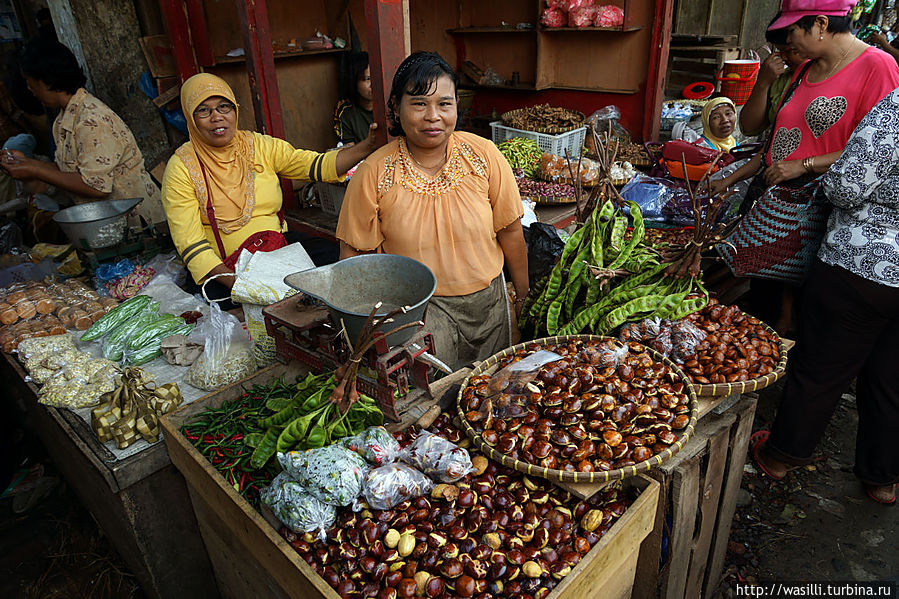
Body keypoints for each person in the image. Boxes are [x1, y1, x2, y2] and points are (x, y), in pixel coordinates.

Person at [709, 0, 899, 333]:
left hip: (823, 213)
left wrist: (806, 165)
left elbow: (879, 152)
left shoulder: (878, 66)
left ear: (821, 24)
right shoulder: (804, 68)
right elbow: (773, 141)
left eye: (792, 31)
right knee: (765, 303)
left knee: (803, 315)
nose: (787, 44)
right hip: (775, 208)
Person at [751, 85, 899, 506]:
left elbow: (846, 188)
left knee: (821, 367)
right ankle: (883, 478)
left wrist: (818, 170)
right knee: (892, 378)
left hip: (863, 265)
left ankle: (780, 456)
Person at [336, 52, 529, 369]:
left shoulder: (484, 155)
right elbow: (354, 258)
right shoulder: (374, 172)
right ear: (396, 108)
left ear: (456, 106)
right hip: (420, 315)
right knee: (435, 405)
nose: (433, 116)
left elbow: (510, 232)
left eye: (444, 103)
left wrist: (522, 298)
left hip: (490, 306)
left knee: (494, 397)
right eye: (419, 104)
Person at [161, 72, 379, 299]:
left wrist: (367, 146)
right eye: (203, 110)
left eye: (224, 107)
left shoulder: (259, 146)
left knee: (333, 261)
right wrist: (244, 288)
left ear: (235, 110)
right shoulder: (181, 168)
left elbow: (314, 165)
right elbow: (192, 246)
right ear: (190, 117)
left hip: (278, 251)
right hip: (226, 270)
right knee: (229, 303)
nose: (217, 117)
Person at [0, 38, 166, 227]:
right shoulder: (63, 121)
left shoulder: (91, 120)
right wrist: (26, 163)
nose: (30, 90)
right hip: (107, 223)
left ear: (44, 81)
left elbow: (96, 186)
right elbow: (70, 174)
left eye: (31, 83)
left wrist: (34, 169)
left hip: (139, 223)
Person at [739, 16, 807, 137]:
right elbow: (748, 127)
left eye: (790, 51)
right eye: (780, 51)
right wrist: (762, 83)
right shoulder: (782, 80)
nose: (784, 58)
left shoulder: (826, 77)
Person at [333, 52, 373, 146]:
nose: (373, 84)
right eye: (367, 79)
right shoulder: (345, 111)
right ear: (354, 80)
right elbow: (350, 149)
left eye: (376, 77)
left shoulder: (391, 104)